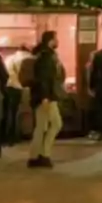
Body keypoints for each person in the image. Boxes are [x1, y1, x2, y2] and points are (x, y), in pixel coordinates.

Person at [26, 31, 63, 169]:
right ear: (50, 41)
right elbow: (44, 79)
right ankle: (42, 155)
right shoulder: (46, 57)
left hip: (43, 96)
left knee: (42, 126)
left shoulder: (41, 54)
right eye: (56, 38)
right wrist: (45, 97)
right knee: (55, 124)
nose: (57, 41)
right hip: (46, 97)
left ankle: (36, 156)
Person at [1, 46, 28, 146]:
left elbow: (5, 73)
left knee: (7, 112)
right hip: (19, 87)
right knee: (15, 112)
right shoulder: (27, 58)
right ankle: (14, 136)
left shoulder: (10, 58)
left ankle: (5, 137)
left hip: (8, 86)